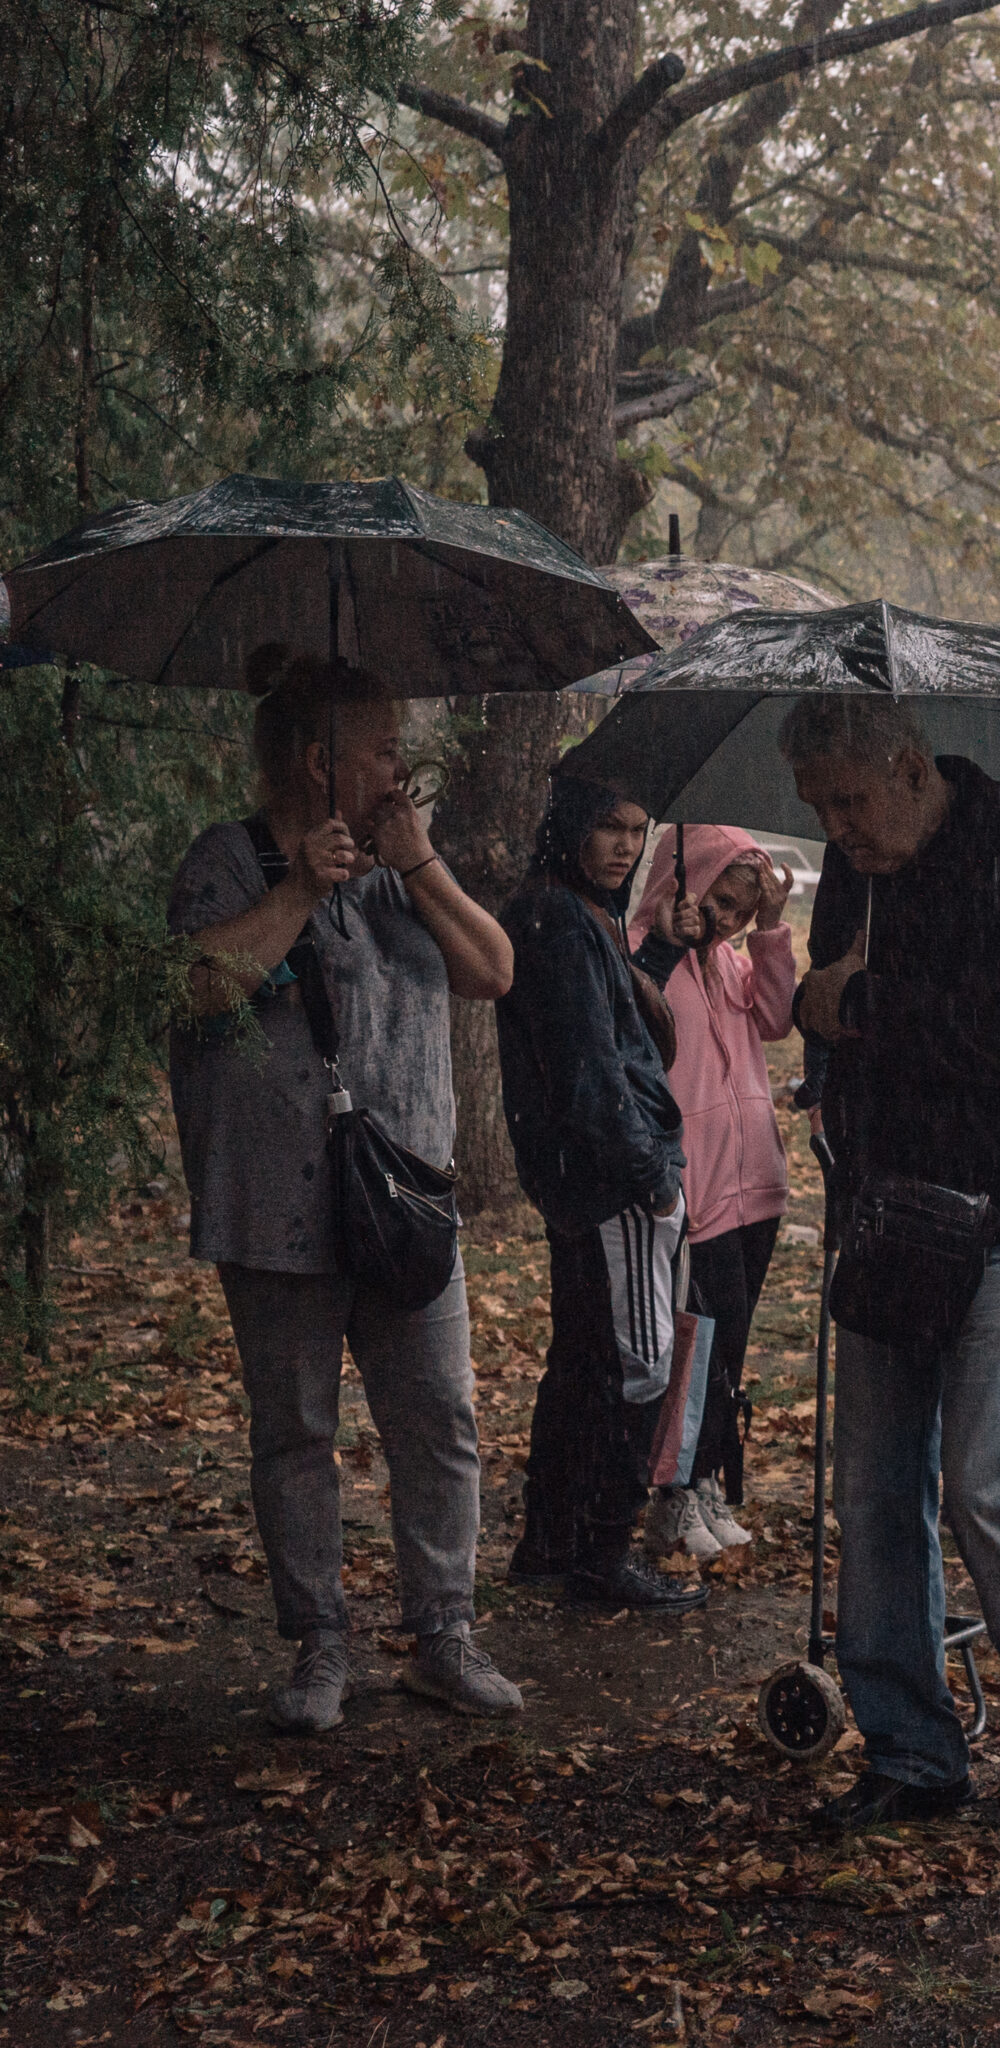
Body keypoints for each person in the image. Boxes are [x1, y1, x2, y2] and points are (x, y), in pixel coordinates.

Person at [169, 651, 521, 1733]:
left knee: (438, 1416)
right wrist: (297, 889)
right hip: (272, 1203)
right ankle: (318, 1642)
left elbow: (493, 970)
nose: (399, 769)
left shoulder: (401, 861)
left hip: (404, 1197)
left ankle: (443, 1634)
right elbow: (194, 988)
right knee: (296, 1431)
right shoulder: (224, 863)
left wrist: (419, 868)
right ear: (320, 761)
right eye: (382, 750)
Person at [786, 696, 1000, 1827]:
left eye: (852, 799)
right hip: (885, 1205)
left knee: (992, 1479)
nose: (839, 827)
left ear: (910, 765)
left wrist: (864, 1005)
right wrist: (822, 1016)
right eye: (819, 808)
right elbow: (825, 1009)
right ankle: (908, 1746)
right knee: (878, 1490)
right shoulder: (856, 869)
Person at [496, 776, 704, 1613]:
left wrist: (658, 953)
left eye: (637, 830)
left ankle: (551, 1543)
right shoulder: (555, 919)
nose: (625, 846)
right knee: (639, 1363)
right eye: (608, 828)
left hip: (587, 1178)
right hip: (611, 1181)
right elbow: (590, 1072)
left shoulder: (569, 913)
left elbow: (612, 1025)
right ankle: (603, 1550)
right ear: (570, 827)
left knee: (583, 1360)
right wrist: (650, 1180)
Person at [629, 828, 797, 1562]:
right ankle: (674, 1489)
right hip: (696, 1185)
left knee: (732, 1340)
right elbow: (634, 1034)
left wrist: (770, 933)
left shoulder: (731, 963)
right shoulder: (645, 956)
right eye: (722, 901)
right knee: (696, 1343)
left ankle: (706, 1480)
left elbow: (777, 1019)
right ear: (686, 881)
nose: (728, 918)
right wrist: (671, 941)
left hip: (753, 1179)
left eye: (742, 908)